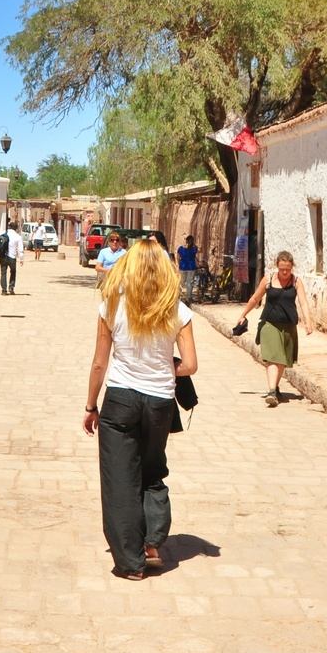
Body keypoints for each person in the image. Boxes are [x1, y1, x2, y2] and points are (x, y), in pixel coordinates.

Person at [83, 239, 198, 581]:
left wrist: (91, 406)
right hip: (160, 402)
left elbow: (99, 364)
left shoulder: (112, 305)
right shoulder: (177, 309)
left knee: (120, 480)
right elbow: (190, 365)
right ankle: (153, 542)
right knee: (152, 469)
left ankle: (131, 563)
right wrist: (165, 367)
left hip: (119, 400)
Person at [235, 250, 314, 408]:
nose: (285, 272)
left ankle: (275, 388)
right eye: (282, 269)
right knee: (273, 357)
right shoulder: (268, 280)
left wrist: (308, 321)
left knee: (282, 360)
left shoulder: (296, 282)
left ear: (292, 268)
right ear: (277, 266)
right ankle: (272, 391)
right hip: (269, 324)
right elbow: (255, 298)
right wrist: (243, 314)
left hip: (288, 326)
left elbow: (303, 302)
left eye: (288, 269)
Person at [0, 216, 24, 295]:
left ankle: (4, 290)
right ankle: (11, 287)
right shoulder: (18, 237)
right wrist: (21, 259)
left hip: (3, 256)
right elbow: (20, 249)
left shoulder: (3, 233)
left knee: (3, 273)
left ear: (9, 227)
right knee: (13, 272)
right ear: (16, 228)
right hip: (12, 257)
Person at [176, 235, 199, 301]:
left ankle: (178, 296)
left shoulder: (180, 248)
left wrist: (179, 263)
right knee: (189, 283)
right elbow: (196, 254)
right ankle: (188, 297)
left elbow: (178, 257)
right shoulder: (194, 248)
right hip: (191, 267)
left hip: (183, 267)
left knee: (181, 282)